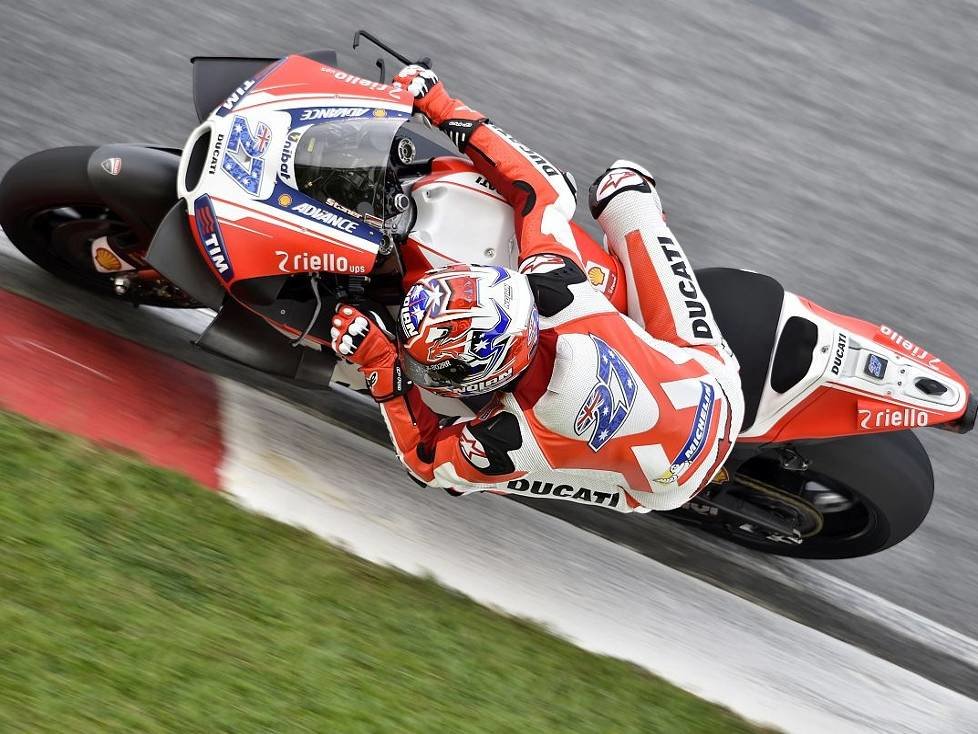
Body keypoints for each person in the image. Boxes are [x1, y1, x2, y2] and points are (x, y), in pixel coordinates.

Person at [329, 65, 744, 513]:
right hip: (711, 389)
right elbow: (541, 192)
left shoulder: (506, 437)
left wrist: (379, 360)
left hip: (662, 486)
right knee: (621, 188)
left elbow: (425, 462)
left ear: (490, 376)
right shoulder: (558, 290)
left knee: (473, 476)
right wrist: (444, 107)